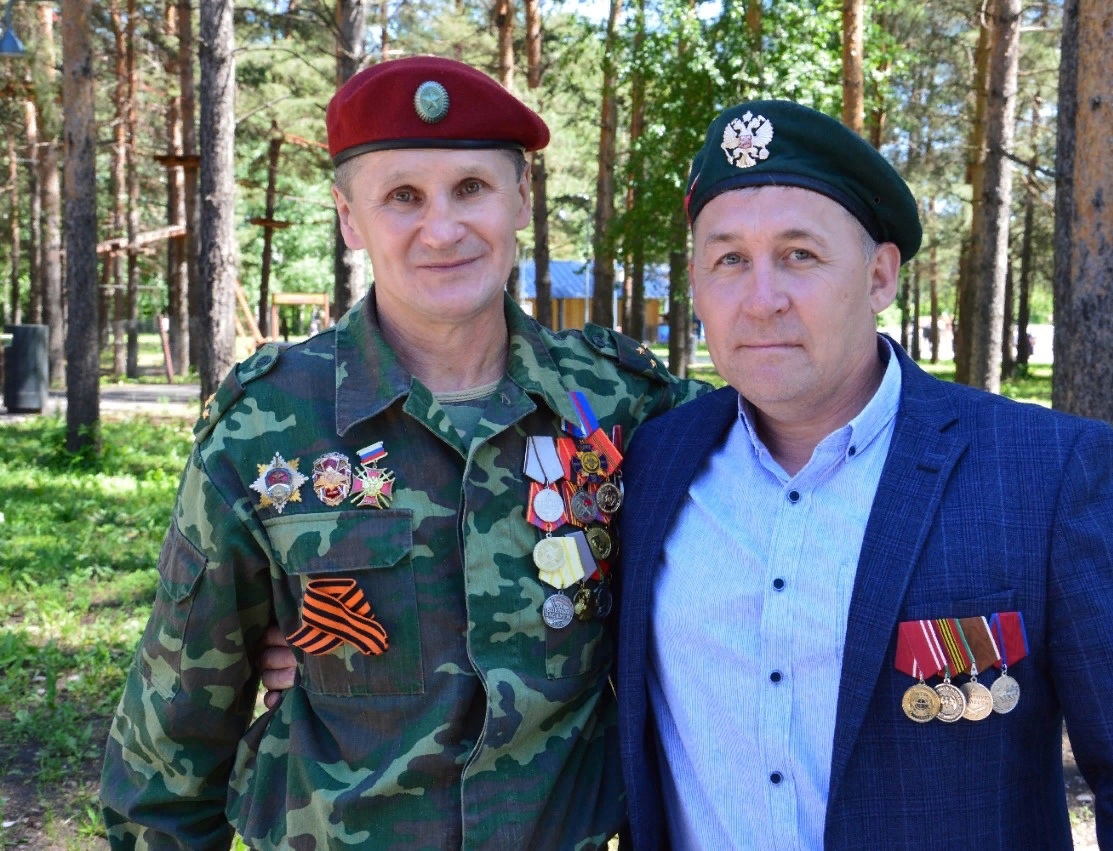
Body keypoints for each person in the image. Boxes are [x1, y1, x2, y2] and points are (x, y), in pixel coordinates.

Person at [100, 56, 702, 850]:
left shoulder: (624, 403)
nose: (442, 229)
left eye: (471, 188)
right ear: (350, 218)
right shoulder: (268, 425)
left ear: (521, 198)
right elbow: (170, 745)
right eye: (403, 196)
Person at [614, 101, 1113, 848]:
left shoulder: (1043, 473)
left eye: (800, 254)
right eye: (729, 260)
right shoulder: (653, 464)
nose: (762, 299)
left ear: (879, 277)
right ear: (696, 284)